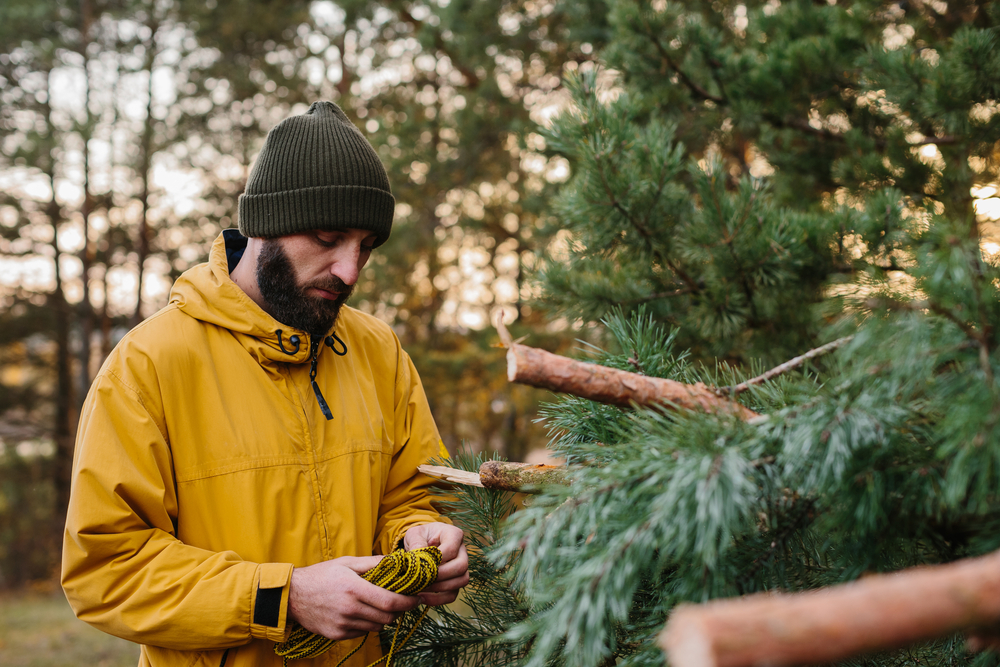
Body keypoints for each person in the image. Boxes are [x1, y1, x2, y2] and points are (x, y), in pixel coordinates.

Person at [61, 101, 469, 667]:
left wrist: (422, 537)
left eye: (366, 248)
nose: (350, 271)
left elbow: (413, 494)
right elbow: (105, 570)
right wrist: (281, 596)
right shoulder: (148, 365)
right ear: (263, 226)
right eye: (328, 237)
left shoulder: (381, 352)